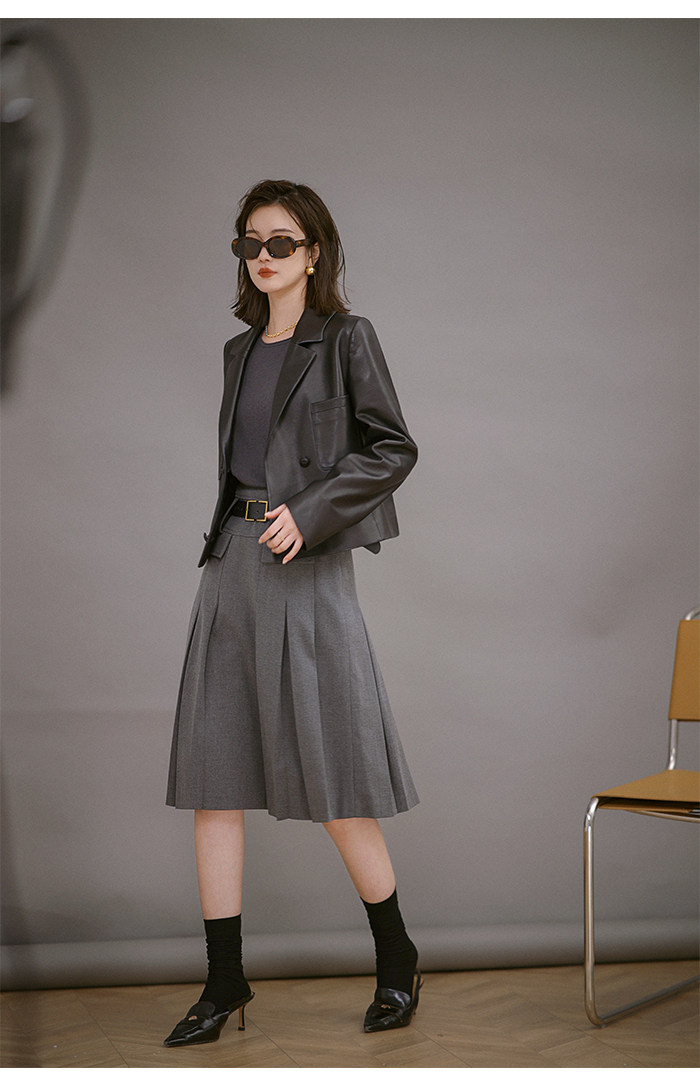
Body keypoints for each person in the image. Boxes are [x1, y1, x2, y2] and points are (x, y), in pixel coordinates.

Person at [164, 179, 420, 1047]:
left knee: (336, 779)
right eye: (251, 243)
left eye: (281, 242)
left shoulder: (346, 337)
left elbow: (393, 447)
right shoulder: (238, 350)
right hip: (230, 566)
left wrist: (309, 512)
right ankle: (223, 980)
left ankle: (397, 958)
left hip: (303, 565)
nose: (264, 257)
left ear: (313, 253)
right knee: (214, 782)